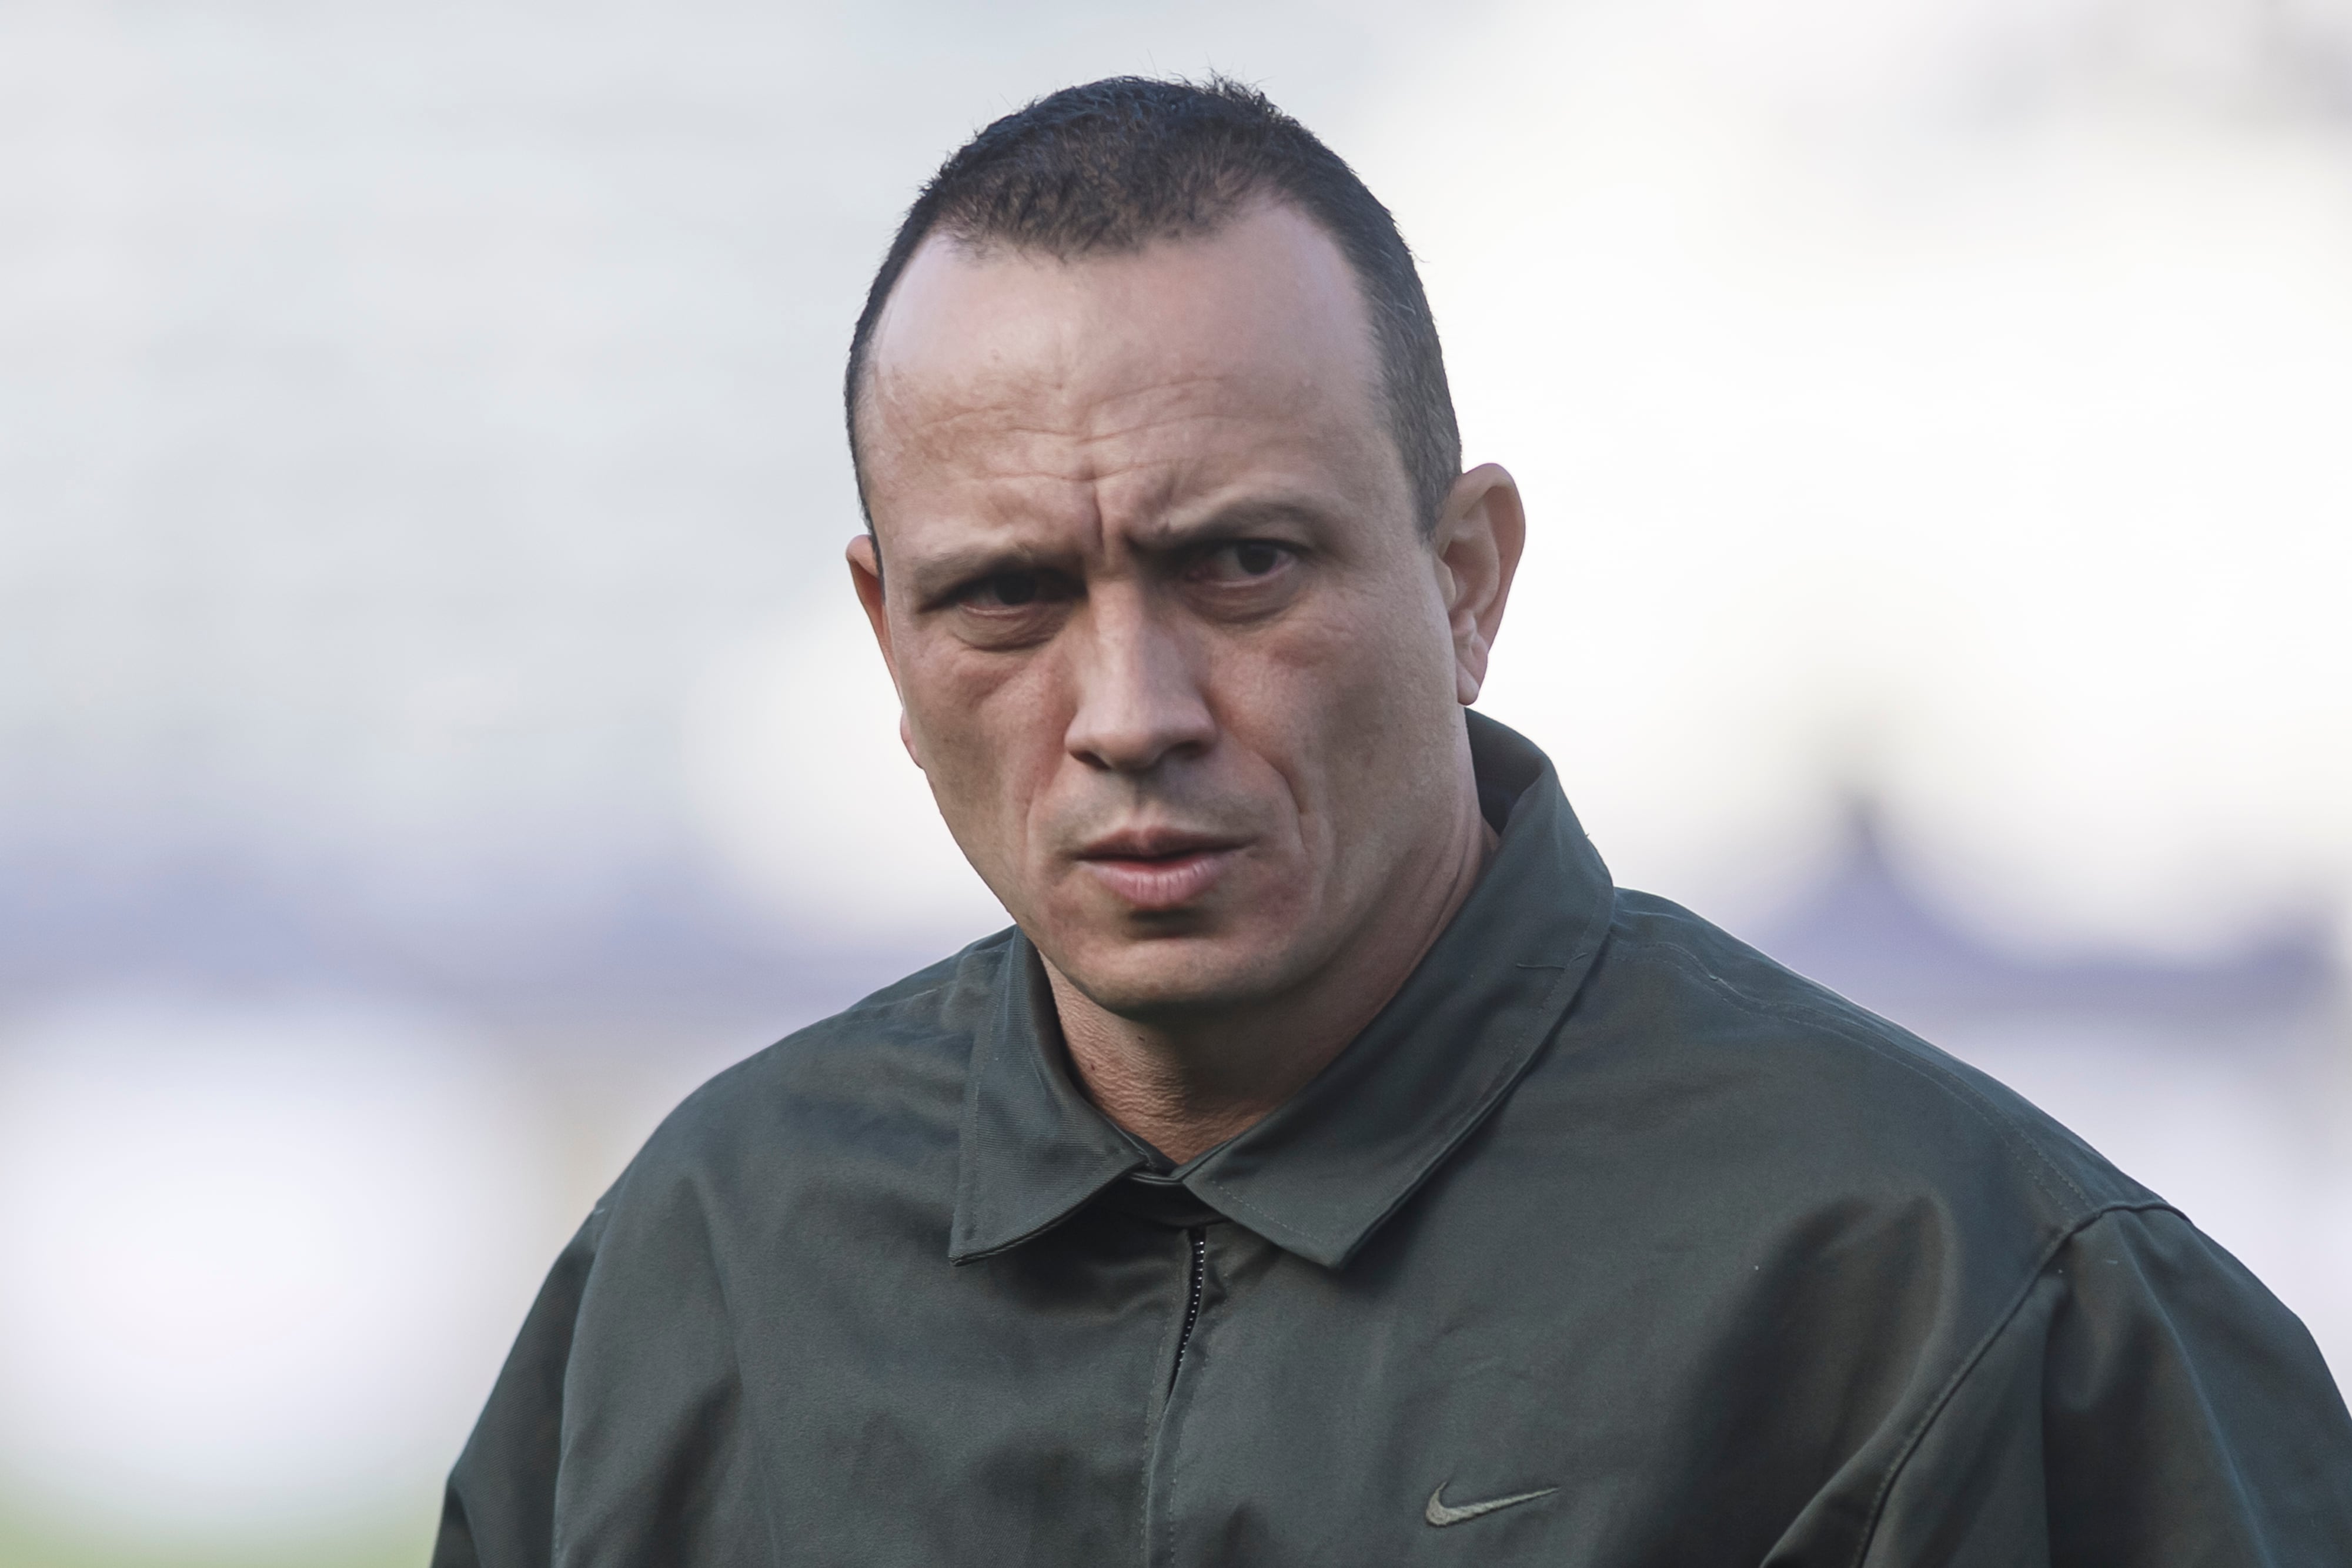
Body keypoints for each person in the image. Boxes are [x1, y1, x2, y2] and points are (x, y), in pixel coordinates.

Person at [433, 76, 2352, 1567]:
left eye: (1245, 564)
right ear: (886, 628)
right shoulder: (708, 1264)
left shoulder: (1966, 1297)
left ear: (1466, 577)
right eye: (1005, 596)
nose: (1130, 713)